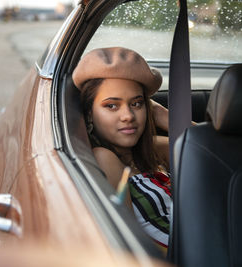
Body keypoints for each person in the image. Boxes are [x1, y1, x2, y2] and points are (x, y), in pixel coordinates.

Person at [72, 47, 171, 253]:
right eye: (112, 106)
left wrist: (161, 114)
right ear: (89, 114)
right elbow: (129, 248)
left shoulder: (150, 149)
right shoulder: (104, 158)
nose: (128, 115)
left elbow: (213, 153)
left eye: (136, 103)